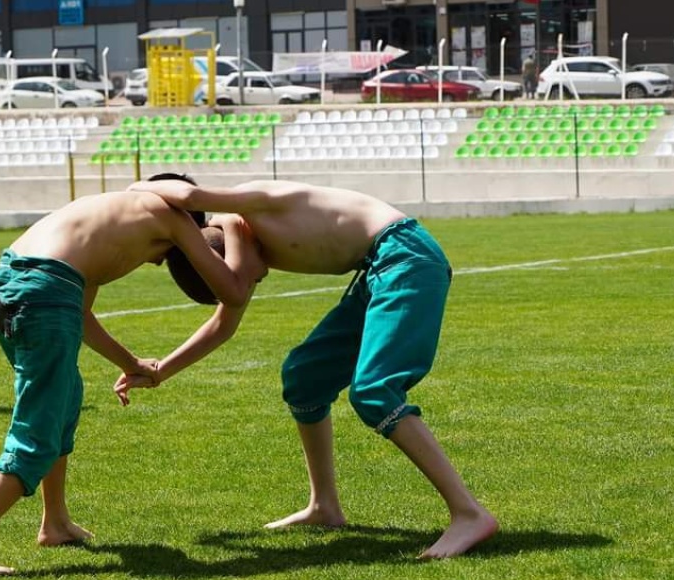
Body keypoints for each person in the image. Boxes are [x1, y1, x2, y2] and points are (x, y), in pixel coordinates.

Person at [116, 179, 498, 559]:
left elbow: (188, 196)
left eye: (247, 278)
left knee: (373, 392)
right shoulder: (239, 245)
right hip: (376, 270)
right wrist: (161, 370)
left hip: (404, 256)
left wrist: (133, 192)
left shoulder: (257, 202)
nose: (252, 282)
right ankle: (324, 506)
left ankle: (469, 513)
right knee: (304, 378)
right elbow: (223, 325)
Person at [0, 182, 263, 579]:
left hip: (8, 284)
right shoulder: (173, 217)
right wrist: (233, 227)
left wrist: (131, 362)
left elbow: (80, 315)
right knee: (36, 437)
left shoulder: (103, 212)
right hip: (43, 293)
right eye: (165, 253)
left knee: (66, 397)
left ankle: (55, 523)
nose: (157, 261)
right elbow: (232, 292)